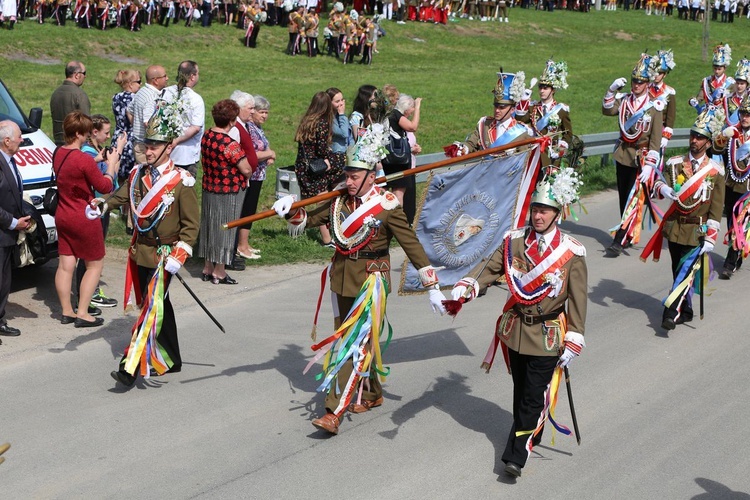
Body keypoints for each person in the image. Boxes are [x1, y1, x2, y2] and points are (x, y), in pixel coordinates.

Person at [272, 125, 448, 435]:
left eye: (355, 176)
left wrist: (431, 284)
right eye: (348, 175)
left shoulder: (389, 205)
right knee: (355, 340)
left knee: (351, 342)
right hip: (341, 276)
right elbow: (311, 219)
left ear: (371, 175)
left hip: (371, 282)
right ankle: (371, 392)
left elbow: (411, 244)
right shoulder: (340, 199)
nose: (349, 181)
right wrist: (289, 212)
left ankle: (333, 411)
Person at [450, 169, 587, 478]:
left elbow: (578, 299)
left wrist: (575, 335)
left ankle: (515, 455)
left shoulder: (572, 252)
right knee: (522, 390)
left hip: (548, 334)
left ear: (557, 214)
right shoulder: (514, 242)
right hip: (515, 330)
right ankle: (530, 429)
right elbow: (491, 266)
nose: (538, 216)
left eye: (545, 211)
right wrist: (470, 283)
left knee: (531, 395)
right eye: (535, 209)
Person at [108, 111, 200, 388]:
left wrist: (179, 255)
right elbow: (121, 195)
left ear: (169, 147)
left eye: (154, 146)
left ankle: (130, 366)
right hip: (141, 251)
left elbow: (191, 226)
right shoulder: (138, 174)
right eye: (146, 145)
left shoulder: (182, 181)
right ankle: (172, 357)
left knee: (151, 307)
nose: (148, 151)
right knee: (160, 306)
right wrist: (102, 204)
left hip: (165, 256)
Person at [644, 106, 725, 330]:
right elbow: (658, 183)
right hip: (675, 228)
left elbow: (716, 208)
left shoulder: (715, 172)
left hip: (697, 231)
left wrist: (711, 236)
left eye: (700, 138)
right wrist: (664, 190)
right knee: (677, 270)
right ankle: (686, 309)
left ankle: (669, 313)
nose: (694, 140)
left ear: (708, 143)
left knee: (684, 271)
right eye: (693, 135)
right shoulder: (675, 163)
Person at [53, 112, 117, 328]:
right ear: (79, 133)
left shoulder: (58, 152)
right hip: (83, 216)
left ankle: (66, 311)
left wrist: (96, 160)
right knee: (94, 264)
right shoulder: (82, 159)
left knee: (65, 265)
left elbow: (76, 171)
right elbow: (105, 187)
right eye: (87, 132)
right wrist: (111, 166)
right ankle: (83, 312)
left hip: (63, 214)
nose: (88, 135)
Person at [602, 54, 663, 257]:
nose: (636, 85)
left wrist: (650, 164)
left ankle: (619, 239)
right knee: (623, 195)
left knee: (633, 197)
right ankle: (626, 231)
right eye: (634, 81)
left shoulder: (654, 107)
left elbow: (655, 138)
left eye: (640, 82)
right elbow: (607, 110)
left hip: (641, 156)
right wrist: (611, 90)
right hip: (623, 154)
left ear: (647, 84)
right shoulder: (624, 101)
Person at [198, 99, 253, 284]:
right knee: (226, 229)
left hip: (209, 187)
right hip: (229, 191)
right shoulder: (230, 144)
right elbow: (246, 169)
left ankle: (207, 266)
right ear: (231, 121)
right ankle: (219, 271)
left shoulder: (207, 136)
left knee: (209, 226)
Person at [76, 114, 127, 310]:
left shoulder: (97, 150)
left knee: (93, 254)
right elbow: (105, 180)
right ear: (94, 132)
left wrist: (115, 157)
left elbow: (113, 177)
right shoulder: (89, 154)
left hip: (102, 207)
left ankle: (90, 292)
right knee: (89, 255)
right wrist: (119, 151)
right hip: (94, 208)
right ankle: (87, 295)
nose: (108, 136)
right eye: (106, 132)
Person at [449, 70, 533, 156]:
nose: (497, 110)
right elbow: (471, 144)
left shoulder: (521, 132)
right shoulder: (485, 125)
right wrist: (463, 149)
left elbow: (524, 161)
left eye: (502, 107)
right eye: (496, 106)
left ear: (512, 109)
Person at [294, 91, 339, 247]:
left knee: (305, 200)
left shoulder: (306, 120)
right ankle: (327, 239)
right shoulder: (322, 123)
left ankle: (295, 227)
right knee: (323, 202)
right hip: (316, 168)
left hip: (302, 165)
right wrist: (331, 157)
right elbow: (321, 150)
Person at [0, 121, 31, 340]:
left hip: (8, 234)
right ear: (7, 140)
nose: (22, 139)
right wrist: (13, 222)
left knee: (4, 280)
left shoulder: (10, 160)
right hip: (3, 230)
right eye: (19, 136)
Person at [234, 95, 274, 260]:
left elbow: (263, 145)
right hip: (251, 174)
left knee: (250, 209)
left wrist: (268, 154)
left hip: (258, 174)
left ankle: (245, 243)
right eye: (261, 112)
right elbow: (251, 153)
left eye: (266, 112)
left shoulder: (258, 127)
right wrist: (269, 154)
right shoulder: (249, 128)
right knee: (247, 209)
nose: (264, 115)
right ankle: (241, 246)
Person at [716, 94, 750, 279]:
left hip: (747, 188)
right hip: (730, 183)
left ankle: (731, 260)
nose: (744, 117)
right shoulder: (732, 132)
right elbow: (715, 149)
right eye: (743, 113)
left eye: (748, 114)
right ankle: (736, 253)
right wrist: (722, 136)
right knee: (730, 221)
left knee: (741, 223)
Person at [516, 59, 573, 168]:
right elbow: (520, 120)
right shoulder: (533, 107)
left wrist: (560, 149)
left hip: (552, 156)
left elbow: (568, 134)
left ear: (553, 90)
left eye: (545, 88)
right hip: (534, 154)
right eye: (540, 88)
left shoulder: (561, 110)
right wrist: (523, 101)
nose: (542, 91)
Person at [226, 91, 261, 262]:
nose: (253, 111)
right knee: (238, 213)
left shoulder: (244, 125)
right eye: (250, 108)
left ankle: (241, 246)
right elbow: (233, 155)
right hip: (238, 179)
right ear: (239, 109)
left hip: (245, 178)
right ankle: (235, 249)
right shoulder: (235, 129)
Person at [163, 60, 205, 177]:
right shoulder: (196, 99)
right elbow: (195, 127)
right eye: (197, 74)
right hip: (186, 156)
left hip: (164, 151)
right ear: (192, 77)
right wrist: (176, 141)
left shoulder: (166, 92)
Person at [382, 93, 421, 208]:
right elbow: (413, 127)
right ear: (406, 108)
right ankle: (397, 219)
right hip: (398, 161)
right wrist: (418, 107)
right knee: (398, 193)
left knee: (387, 192)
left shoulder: (390, 115)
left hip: (389, 159)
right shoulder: (396, 115)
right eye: (411, 110)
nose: (411, 113)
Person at [127, 65, 169, 166]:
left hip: (139, 144)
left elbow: (129, 110)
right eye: (164, 76)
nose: (167, 78)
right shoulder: (151, 98)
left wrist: (136, 126)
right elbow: (148, 123)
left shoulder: (141, 92)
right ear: (155, 80)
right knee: (148, 178)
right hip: (147, 147)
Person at [50, 61, 91, 147]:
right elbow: (86, 123)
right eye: (84, 73)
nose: (85, 76)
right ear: (77, 75)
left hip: (58, 144)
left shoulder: (56, 93)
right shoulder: (79, 94)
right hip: (75, 144)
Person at [112, 69, 141, 182]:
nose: (140, 85)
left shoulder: (115, 97)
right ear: (130, 84)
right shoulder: (134, 99)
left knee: (117, 171)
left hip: (118, 136)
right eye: (138, 81)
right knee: (131, 177)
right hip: (130, 138)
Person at [690, 44, 735, 114]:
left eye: (719, 69)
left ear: (725, 68)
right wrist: (695, 101)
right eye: (715, 68)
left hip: (723, 114)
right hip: (708, 112)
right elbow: (700, 96)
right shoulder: (707, 81)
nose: (717, 71)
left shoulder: (731, 83)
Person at [650, 50, 677, 155]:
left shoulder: (669, 92)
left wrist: (666, 136)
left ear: (664, 75)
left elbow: (670, 116)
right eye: (655, 72)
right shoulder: (646, 89)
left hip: (659, 131)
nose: (656, 75)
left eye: (660, 73)